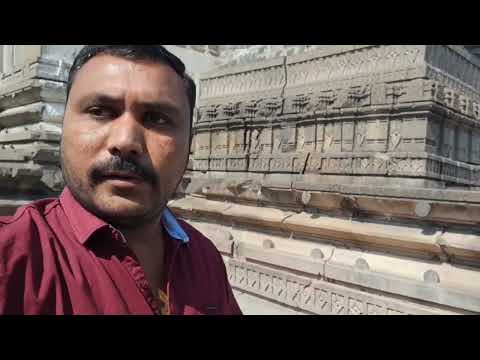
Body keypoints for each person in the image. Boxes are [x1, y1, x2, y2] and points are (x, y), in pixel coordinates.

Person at [0, 45, 242, 315]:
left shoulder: (203, 257)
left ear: (190, 142)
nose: (126, 141)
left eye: (157, 118)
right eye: (99, 111)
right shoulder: (12, 259)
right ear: (63, 127)